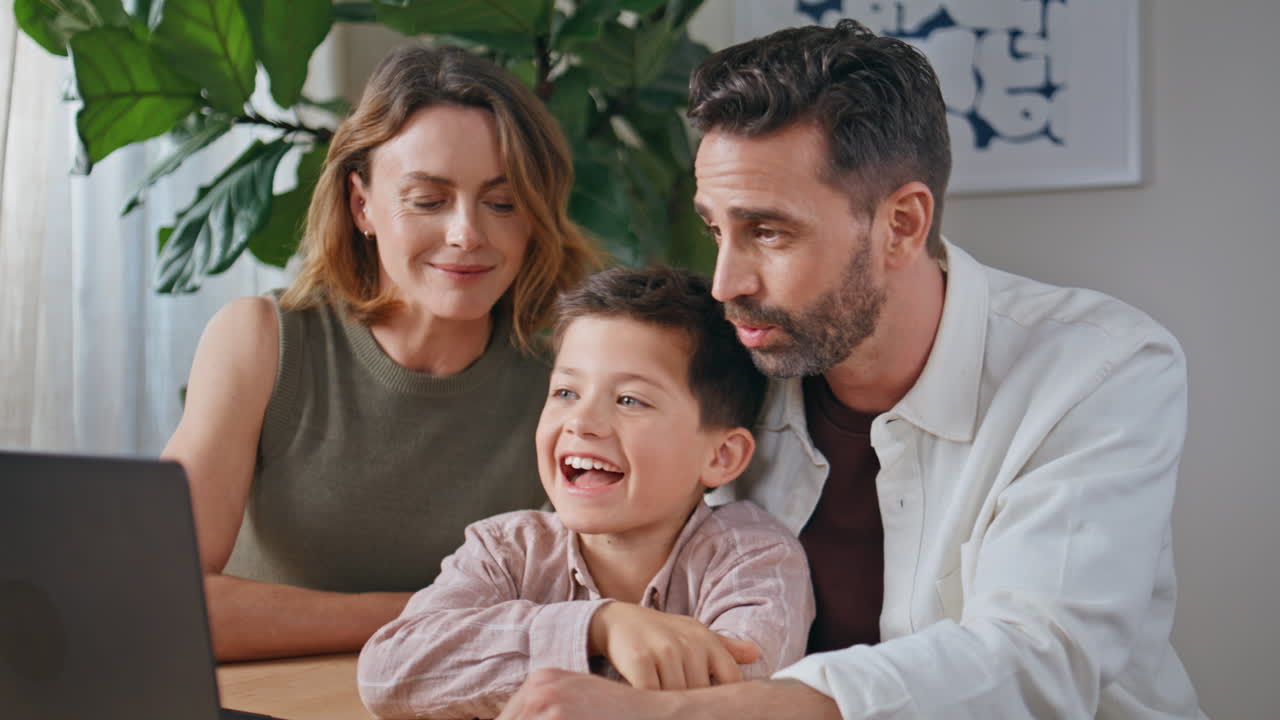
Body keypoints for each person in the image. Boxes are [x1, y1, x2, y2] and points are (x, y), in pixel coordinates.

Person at [493, 20, 1206, 720]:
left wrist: (679, 712)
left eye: (768, 231)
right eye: (717, 229)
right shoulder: (726, 361)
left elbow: (1038, 659)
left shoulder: (1100, 368)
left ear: (901, 225)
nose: (724, 282)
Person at [161, 44, 598, 661]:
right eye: (428, 199)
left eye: (502, 203)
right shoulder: (260, 342)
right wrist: (427, 615)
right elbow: (165, 597)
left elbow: (600, 605)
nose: (467, 233)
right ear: (360, 203)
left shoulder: (572, 372)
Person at [357, 266, 814, 719]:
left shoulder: (754, 559)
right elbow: (388, 671)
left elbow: (740, 695)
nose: (582, 423)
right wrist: (597, 627)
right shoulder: (505, 550)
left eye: (630, 400)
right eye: (565, 392)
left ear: (722, 457)